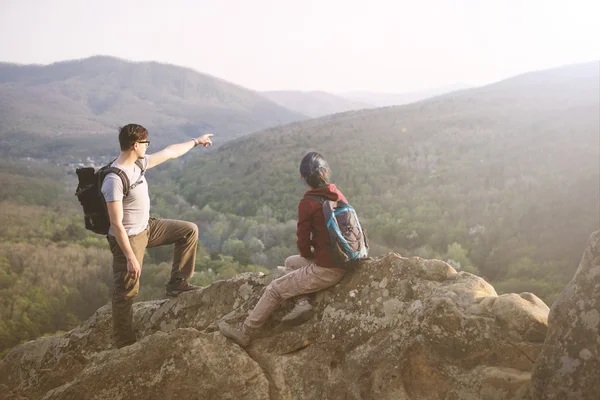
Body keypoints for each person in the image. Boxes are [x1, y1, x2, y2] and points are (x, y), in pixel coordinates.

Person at [218, 151, 348, 347]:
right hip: (344, 260)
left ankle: (246, 332)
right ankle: (302, 302)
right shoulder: (337, 195)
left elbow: (303, 244)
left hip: (328, 269)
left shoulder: (308, 202)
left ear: (304, 178)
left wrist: (312, 256)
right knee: (290, 262)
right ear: (326, 172)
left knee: (274, 289)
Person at [102, 123, 213, 348]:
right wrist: (131, 257)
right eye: (145, 143)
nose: (148, 147)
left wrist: (195, 141)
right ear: (135, 145)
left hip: (147, 228)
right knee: (126, 292)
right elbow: (116, 224)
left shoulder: (139, 163)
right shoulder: (114, 179)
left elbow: (170, 152)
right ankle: (123, 343)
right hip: (129, 239)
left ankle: (177, 283)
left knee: (188, 230)